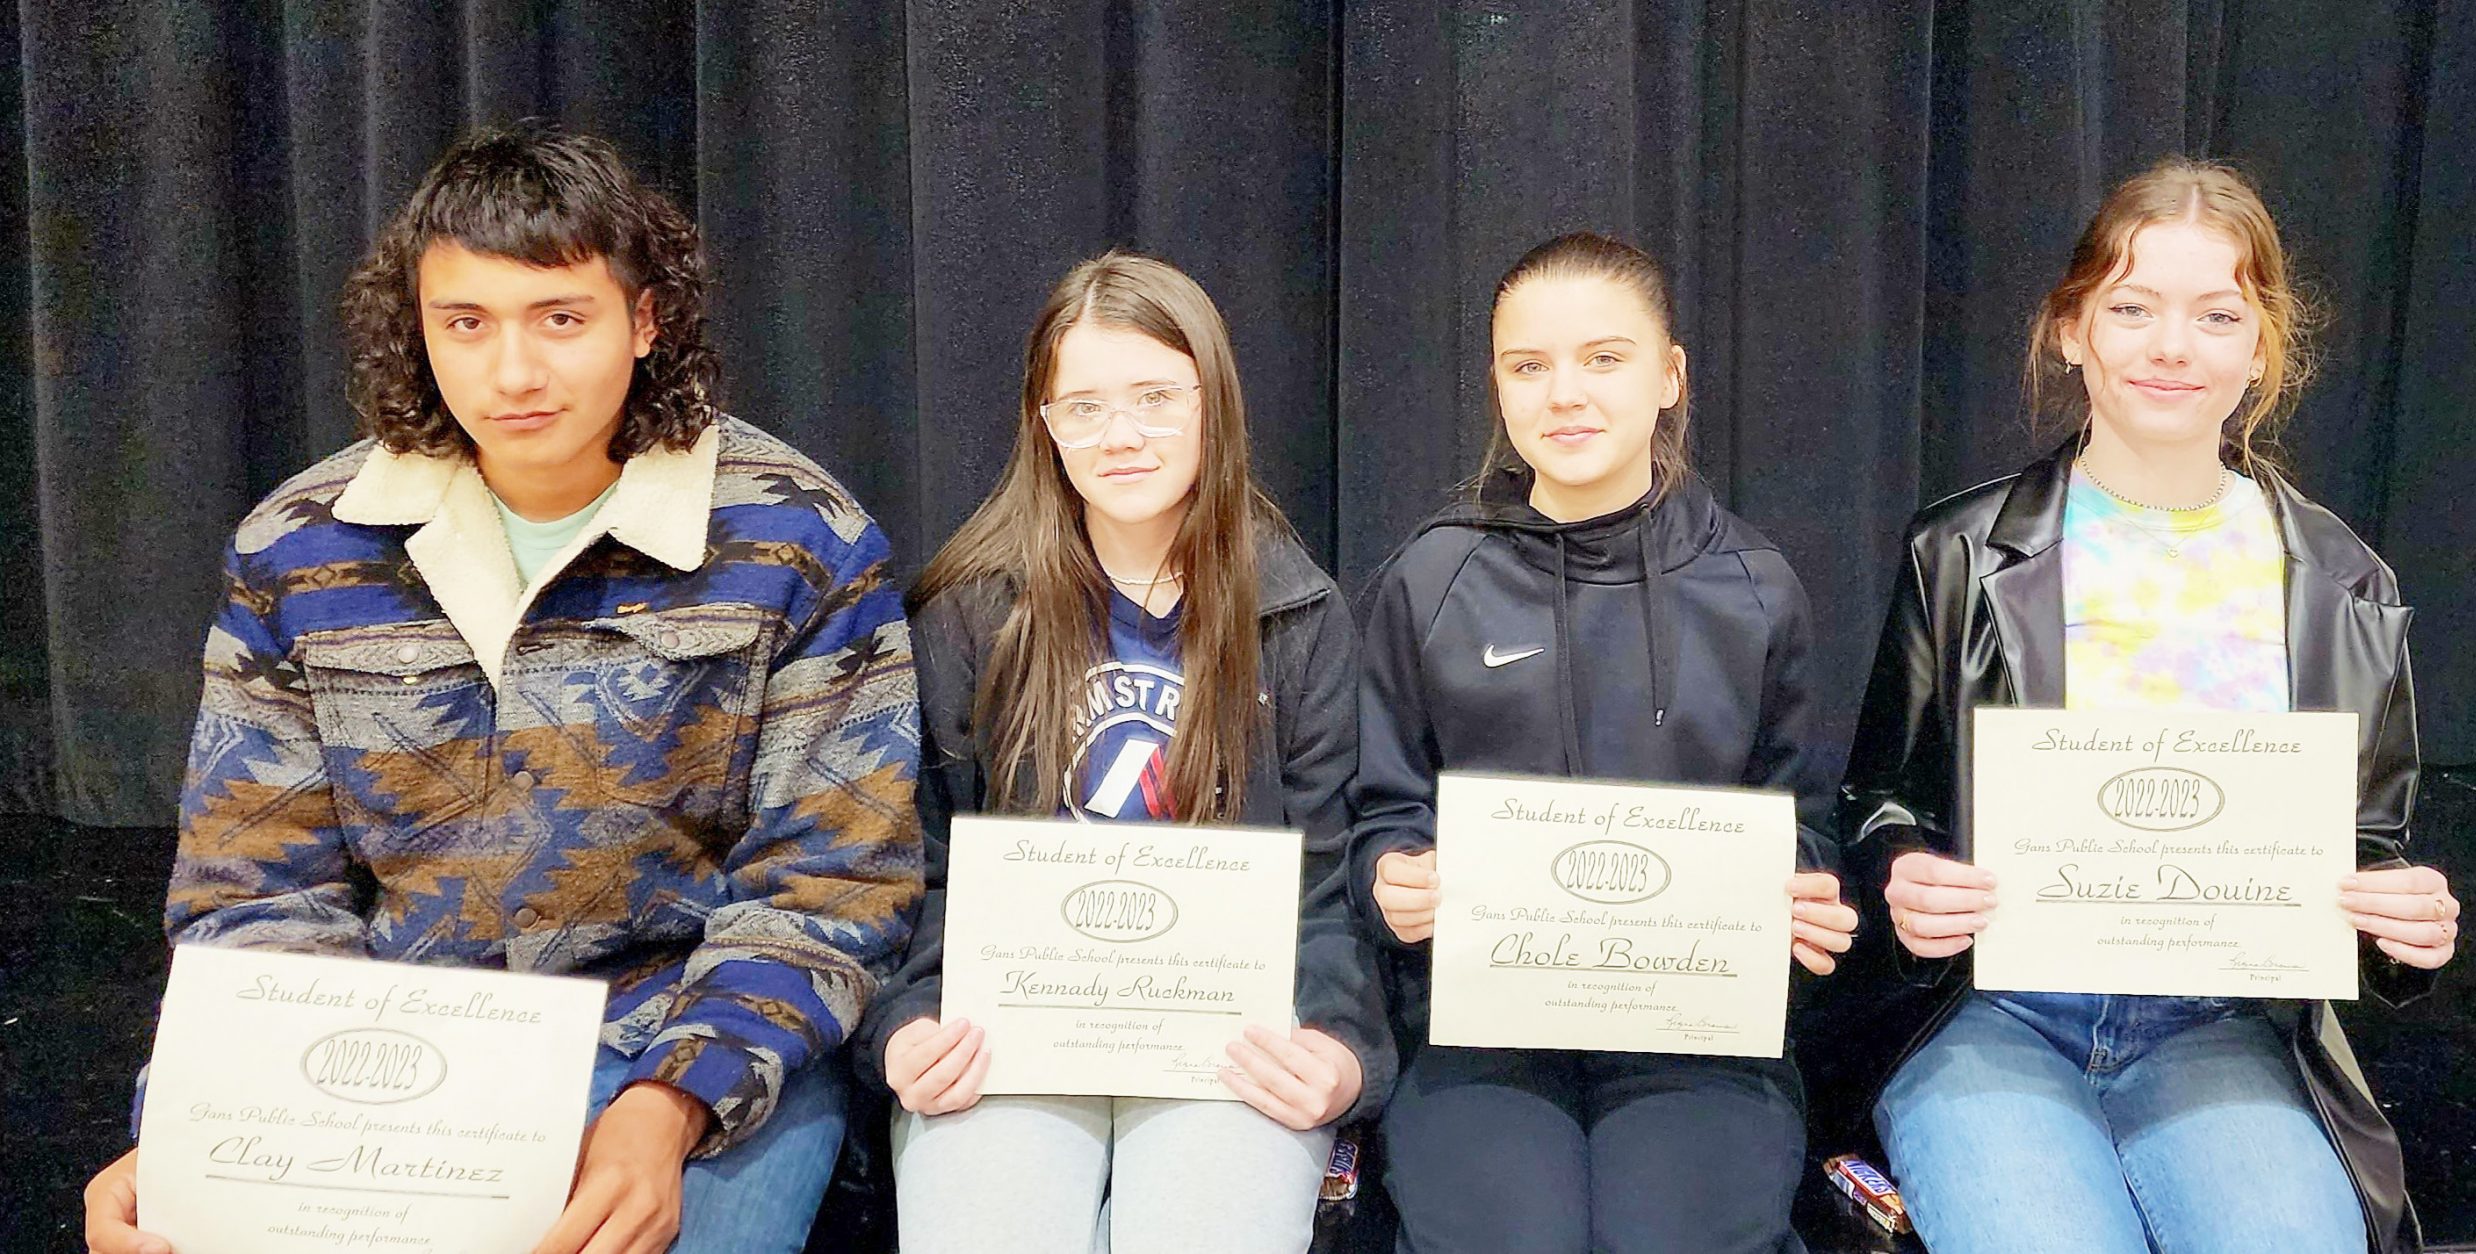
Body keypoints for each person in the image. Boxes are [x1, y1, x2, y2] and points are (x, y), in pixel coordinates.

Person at [80, 123, 923, 1254]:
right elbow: (252, 891)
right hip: (399, 1035)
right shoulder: (300, 547)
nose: (512, 373)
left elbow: (831, 887)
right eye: (465, 324)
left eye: (560, 319)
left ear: (646, 318)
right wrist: (215, 1120)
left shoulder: (796, 538)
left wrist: (665, 1109)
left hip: (687, 1039)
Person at [1839, 157, 2460, 1254]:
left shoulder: (2346, 583)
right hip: (1993, 1019)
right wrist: (1903, 873)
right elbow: (1884, 795)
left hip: (2224, 1031)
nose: (2171, 347)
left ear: (2262, 346)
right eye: (2131, 308)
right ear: (2072, 328)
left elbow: (2365, 849)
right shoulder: (1958, 552)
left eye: (2216, 314)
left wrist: (2402, 927)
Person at [852, 251, 1391, 1254]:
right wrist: (905, 1028)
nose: (1123, 434)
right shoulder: (969, 613)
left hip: (1226, 1040)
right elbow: (912, 867)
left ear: (1213, 407)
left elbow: (1325, 889)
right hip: (1001, 1040)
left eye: (1154, 397)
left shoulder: (1300, 614)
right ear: (1045, 424)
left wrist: (1342, 1051)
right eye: (1086, 406)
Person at [1351, 231, 1856, 1253]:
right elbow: (1379, 812)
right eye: (1527, 366)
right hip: (1480, 1032)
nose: (1563, 395)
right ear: (1495, 385)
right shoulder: (1430, 579)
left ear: (1669, 377)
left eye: (1603, 358)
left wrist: (1804, 889)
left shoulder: (1755, 589)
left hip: (1697, 1039)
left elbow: (1800, 816)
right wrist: (1387, 878)